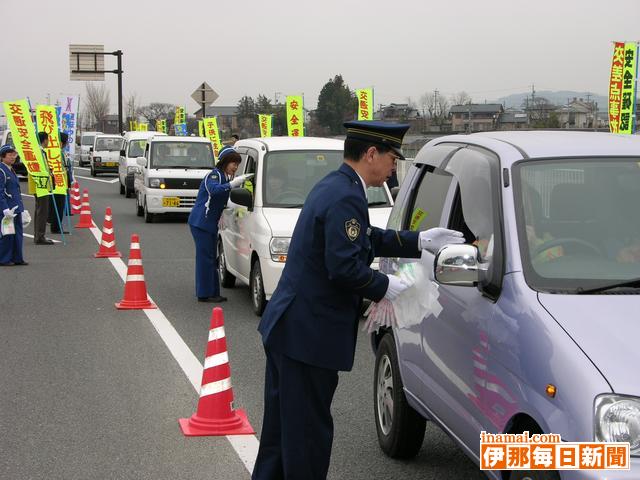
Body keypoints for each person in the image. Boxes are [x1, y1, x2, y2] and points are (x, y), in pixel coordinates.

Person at [252, 120, 464, 480]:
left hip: (292, 329)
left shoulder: (337, 185)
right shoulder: (347, 195)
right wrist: (386, 286)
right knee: (306, 437)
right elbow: (344, 267)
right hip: (307, 337)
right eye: (392, 158)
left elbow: (365, 237)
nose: (394, 166)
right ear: (371, 154)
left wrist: (418, 240)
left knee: (282, 434)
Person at [188, 146, 253, 302]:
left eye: (237, 164)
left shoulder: (225, 176)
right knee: (206, 258)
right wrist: (233, 184)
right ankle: (204, 294)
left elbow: (222, 200)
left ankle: (212, 293)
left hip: (209, 222)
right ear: (224, 162)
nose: (235, 167)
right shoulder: (214, 175)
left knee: (211, 257)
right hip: (201, 222)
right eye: (233, 163)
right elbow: (215, 191)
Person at [0, 145, 28, 265]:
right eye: (10, 155)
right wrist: (5, 208)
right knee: (7, 234)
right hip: (7, 209)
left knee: (18, 234)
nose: (13, 157)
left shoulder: (11, 169)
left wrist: (22, 208)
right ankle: (4, 259)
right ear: (2, 157)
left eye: (14, 154)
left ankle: (17, 258)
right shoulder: (1, 170)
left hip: (16, 207)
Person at [31, 131, 54, 245]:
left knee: (39, 210)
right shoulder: (40, 152)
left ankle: (38, 235)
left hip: (39, 184)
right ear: (44, 140)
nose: (48, 142)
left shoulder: (38, 151)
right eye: (48, 139)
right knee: (42, 211)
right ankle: (40, 236)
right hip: (42, 184)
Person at [49, 132, 70, 234]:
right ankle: (56, 227)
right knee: (58, 206)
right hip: (58, 182)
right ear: (62, 142)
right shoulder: (57, 153)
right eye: (66, 142)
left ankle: (56, 226)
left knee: (58, 206)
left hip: (61, 182)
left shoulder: (60, 152)